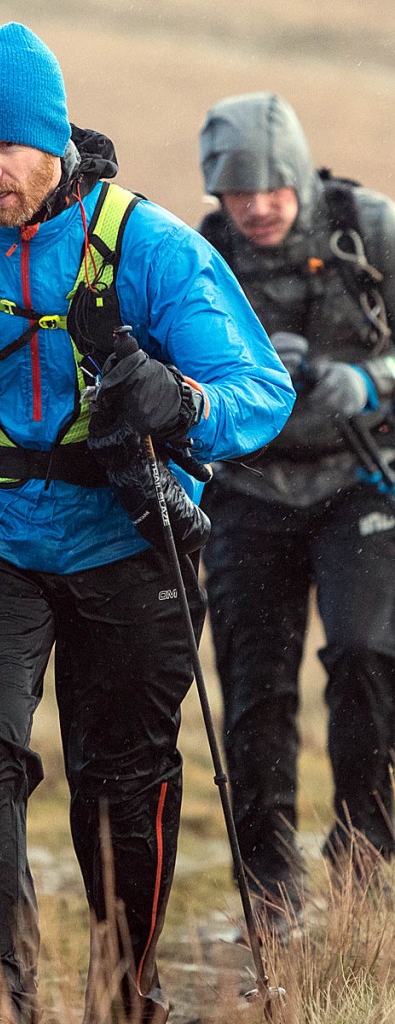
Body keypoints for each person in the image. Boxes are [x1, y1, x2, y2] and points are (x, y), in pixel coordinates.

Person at [0, 29, 293, 1024]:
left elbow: (260, 388)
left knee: (123, 781)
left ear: (53, 142)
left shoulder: (147, 244)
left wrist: (184, 403)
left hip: (128, 537)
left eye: (6, 147)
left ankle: (124, 996)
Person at [197, 91, 395, 936]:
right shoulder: (201, 254)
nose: (259, 206)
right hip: (246, 490)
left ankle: (366, 867)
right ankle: (270, 890)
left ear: (302, 178)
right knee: (256, 688)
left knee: (365, 654)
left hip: (361, 478)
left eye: (274, 187)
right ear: (218, 193)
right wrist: (240, 374)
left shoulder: (368, 230)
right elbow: (171, 376)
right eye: (240, 192)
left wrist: (372, 379)